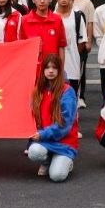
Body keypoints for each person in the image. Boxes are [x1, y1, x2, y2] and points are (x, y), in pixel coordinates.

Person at [27, 54, 78, 182]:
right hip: (45, 140)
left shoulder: (67, 91)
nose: (50, 71)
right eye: (47, 67)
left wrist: (42, 134)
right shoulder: (37, 91)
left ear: (59, 70)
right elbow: (31, 117)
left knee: (57, 176)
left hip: (64, 142)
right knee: (34, 152)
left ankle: (66, 163)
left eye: (54, 68)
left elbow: (65, 124)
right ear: (42, 70)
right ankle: (48, 161)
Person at [54, 0, 89, 107]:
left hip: (73, 64)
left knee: (71, 96)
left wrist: (74, 53)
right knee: (55, 98)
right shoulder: (51, 16)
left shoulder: (77, 16)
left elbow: (82, 41)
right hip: (54, 64)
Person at [66, 0, 96, 109]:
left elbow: (90, 22)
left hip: (81, 42)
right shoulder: (61, 1)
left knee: (80, 70)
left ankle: (80, 97)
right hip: (66, 44)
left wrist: (89, 40)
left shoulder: (86, 3)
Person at [19, 0, 67, 67]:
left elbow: (61, 47)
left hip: (52, 69)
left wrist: (61, 69)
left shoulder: (57, 20)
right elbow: (22, 48)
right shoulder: (24, 20)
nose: (42, 1)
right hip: (31, 68)